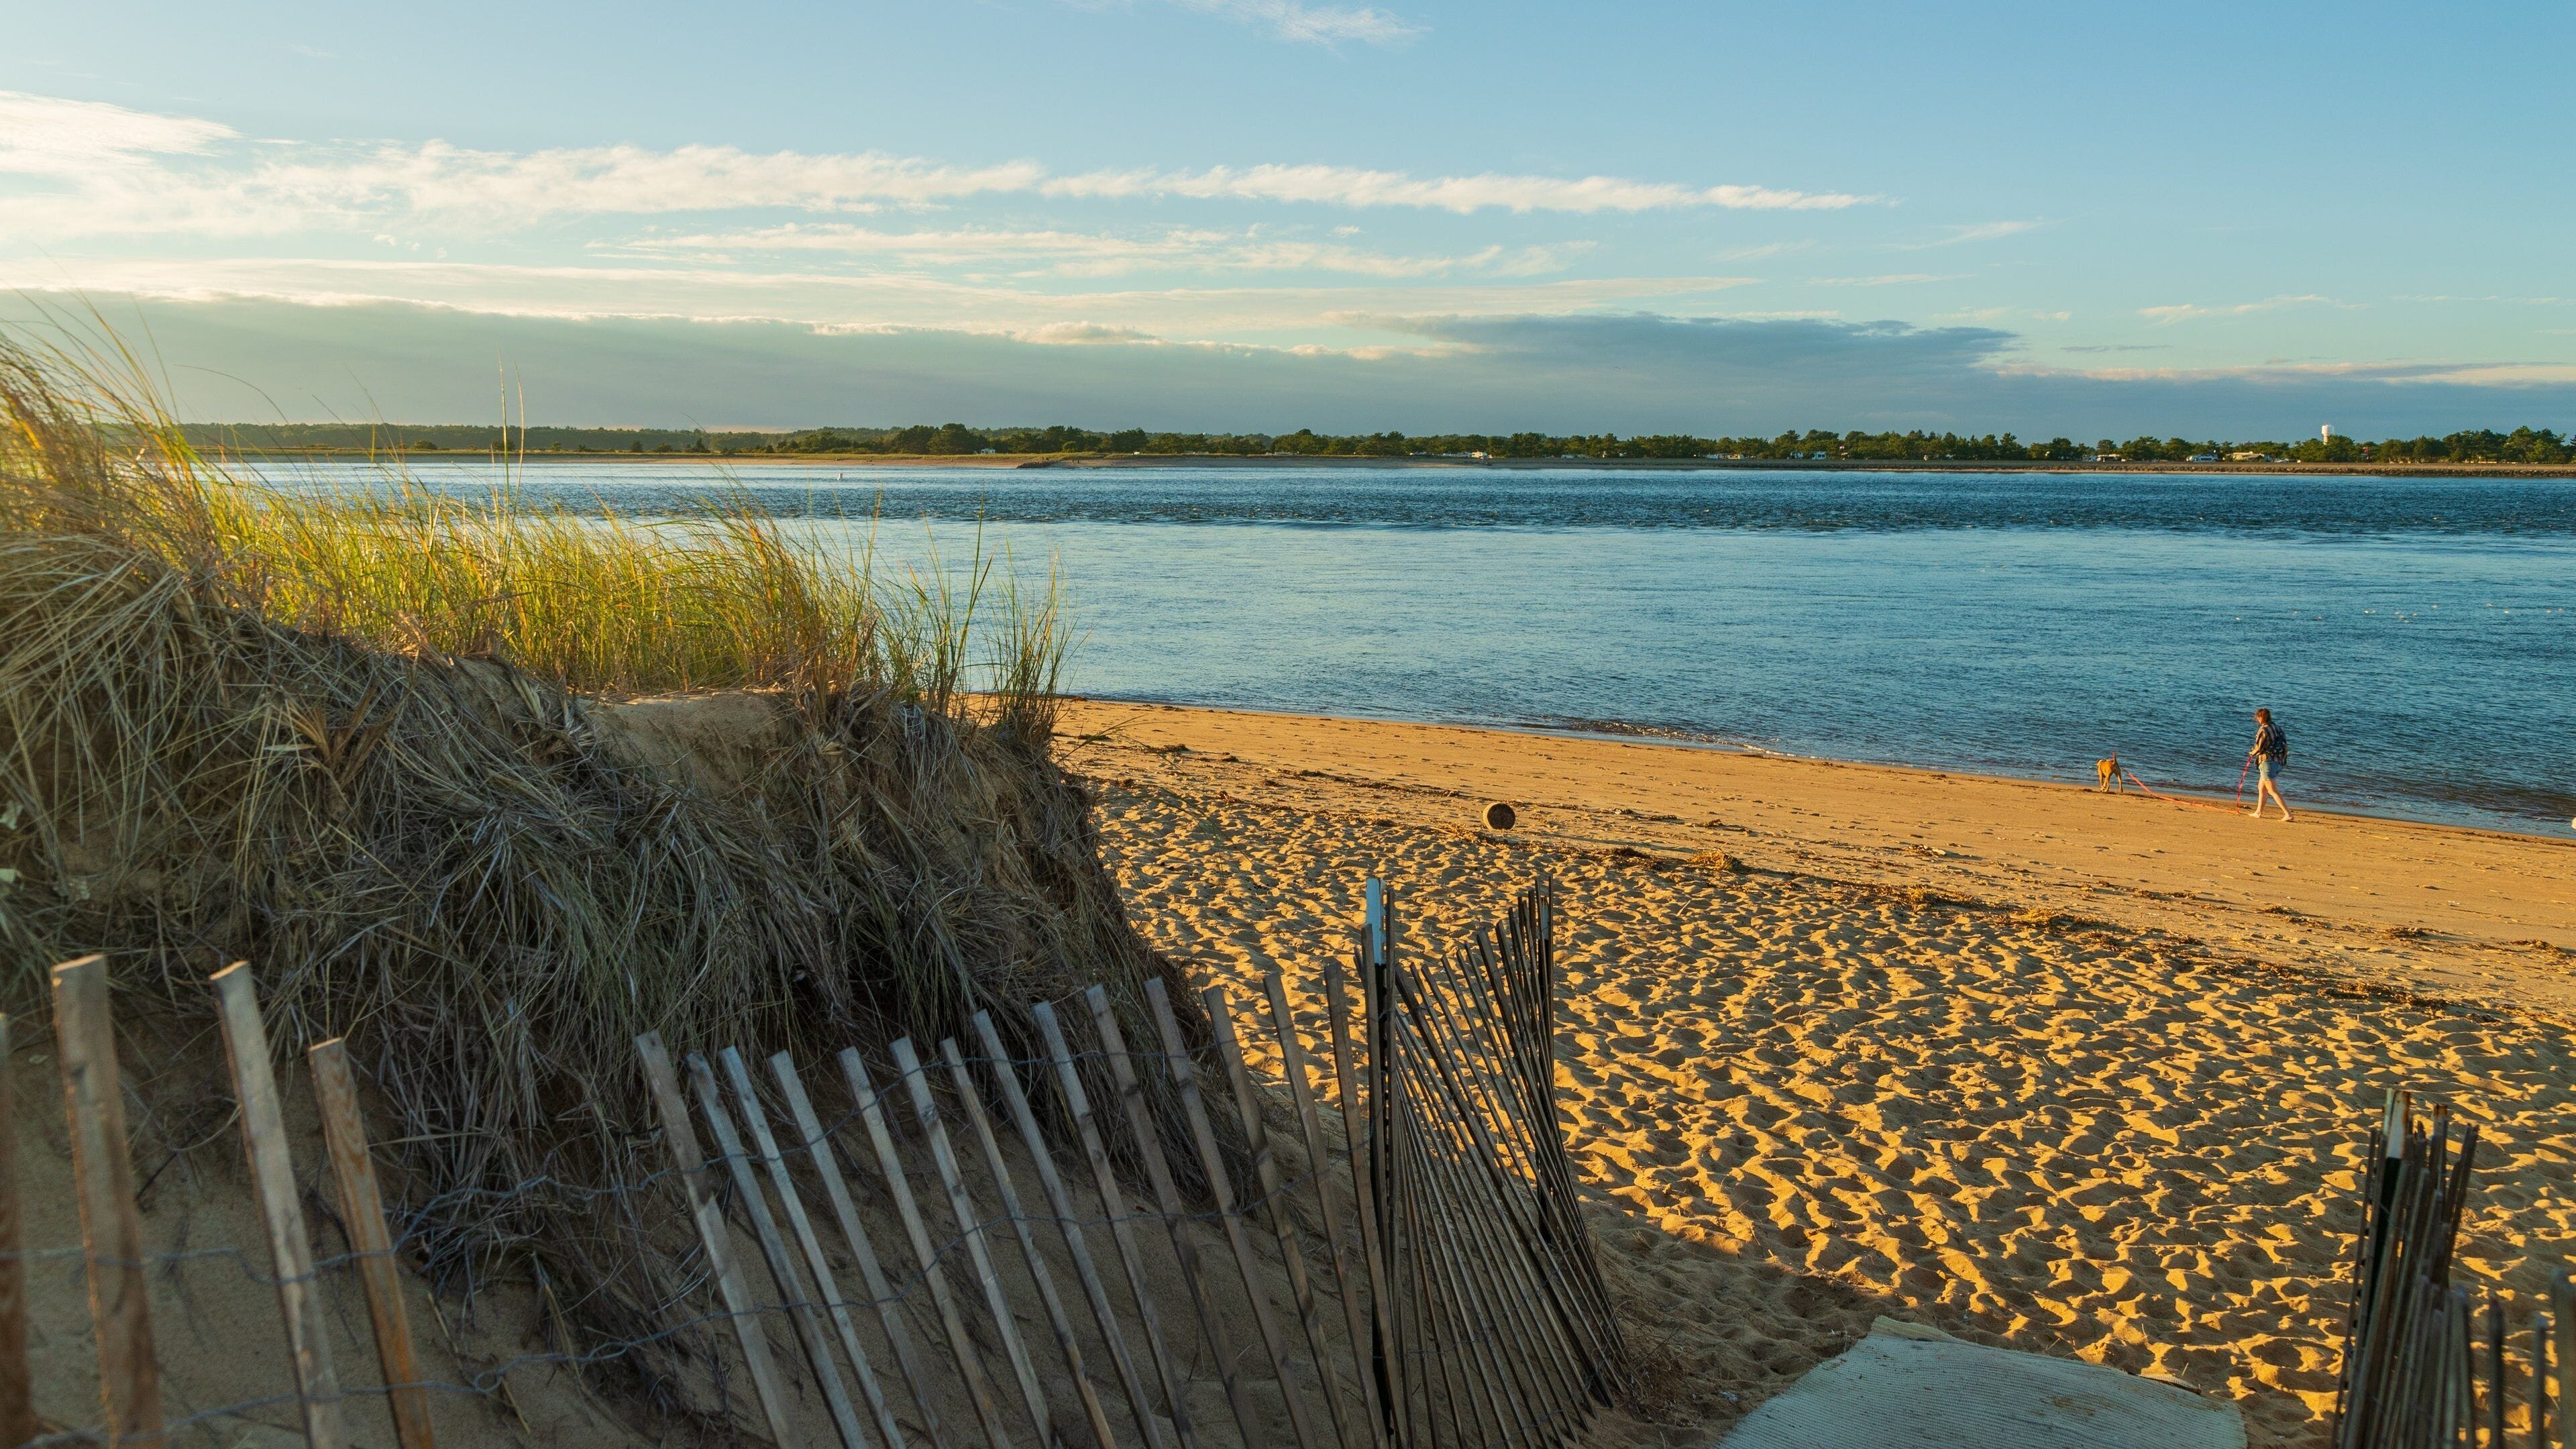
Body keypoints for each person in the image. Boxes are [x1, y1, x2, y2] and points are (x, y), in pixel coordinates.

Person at [2247, 707, 2293, 822]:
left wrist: (2252, 753)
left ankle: (2288, 814)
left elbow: (2259, 747)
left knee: (2272, 790)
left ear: (2260, 717)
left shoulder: (2264, 730)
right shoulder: (2278, 728)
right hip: (2279, 761)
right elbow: (2285, 745)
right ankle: (2258, 812)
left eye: (2258, 717)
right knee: (2261, 787)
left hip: (2268, 762)